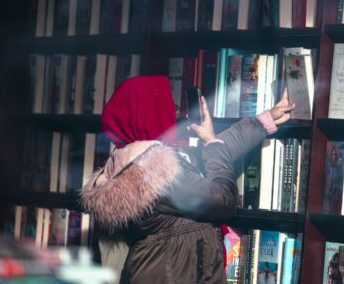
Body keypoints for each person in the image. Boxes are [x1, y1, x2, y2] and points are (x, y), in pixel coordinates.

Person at [81, 75, 295, 284]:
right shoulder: (153, 174)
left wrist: (264, 121)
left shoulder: (133, 162)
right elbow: (223, 200)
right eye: (168, 106)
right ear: (149, 114)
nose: (176, 113)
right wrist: (211, 142)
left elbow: (213, 154)